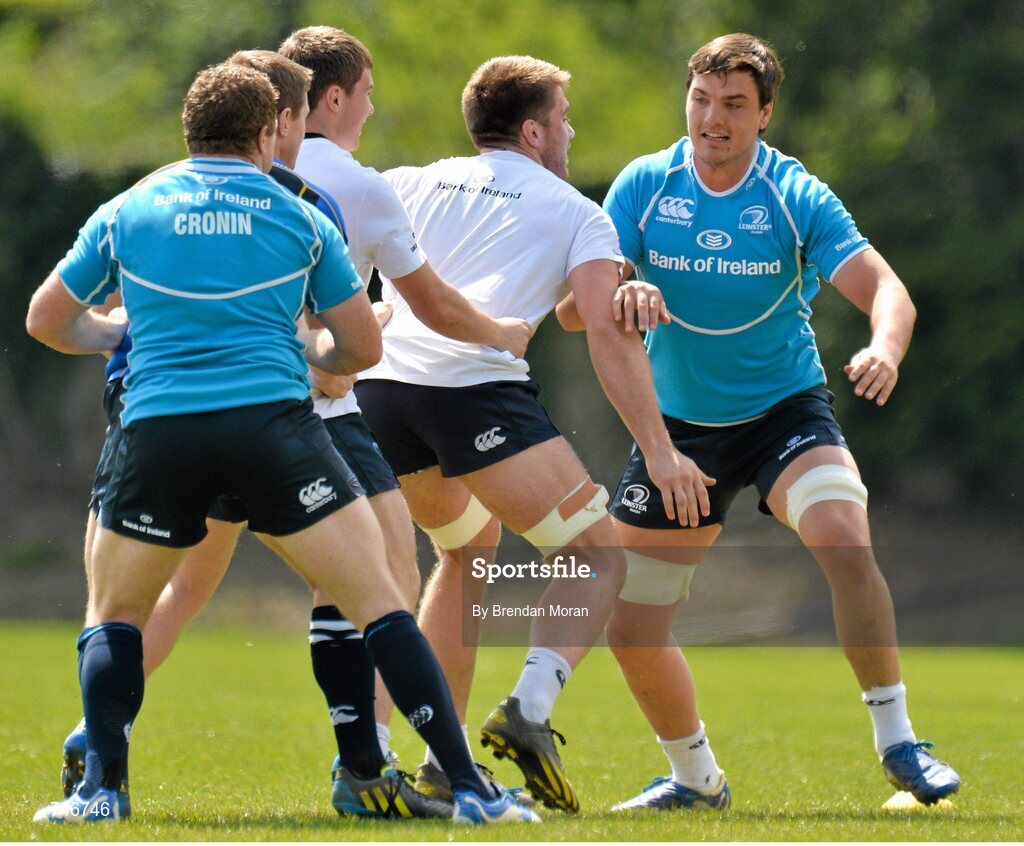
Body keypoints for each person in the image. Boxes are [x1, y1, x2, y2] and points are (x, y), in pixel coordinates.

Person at [28, 61, 537, 826]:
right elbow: (359, 347)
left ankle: (101, 793)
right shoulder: (300, 214)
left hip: (156, 431)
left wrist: (117, 330)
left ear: (189, 131)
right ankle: (467, 789)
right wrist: (311, 356)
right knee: (379, 602)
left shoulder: (130, 208)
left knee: (117, 612)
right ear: (270, 131)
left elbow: (47, 319)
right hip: (272, 430)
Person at [559, 32, 960, 809]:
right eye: (702, 100)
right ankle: (694, 779)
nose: (713, 118)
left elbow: (888, 292)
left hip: (784, 415)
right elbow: (574, 312)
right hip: (675, 434)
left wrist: (884, 346)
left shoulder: (794, 195)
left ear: (764, 113)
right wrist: (622, 293)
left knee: (845, 537)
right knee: (634, 627)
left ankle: (900, 744)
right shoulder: (644, 186)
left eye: (734, 105)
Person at [351, 55, 712, 814]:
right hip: (473, 396)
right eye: (563, 119)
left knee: (461, 555)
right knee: (597, 554)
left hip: (380, 396)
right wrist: (658, 449)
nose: (571, 132)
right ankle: (529, 708)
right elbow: (604, 336)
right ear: (533, 129)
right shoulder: (579, 211)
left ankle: (427, 767)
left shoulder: (408, 180)